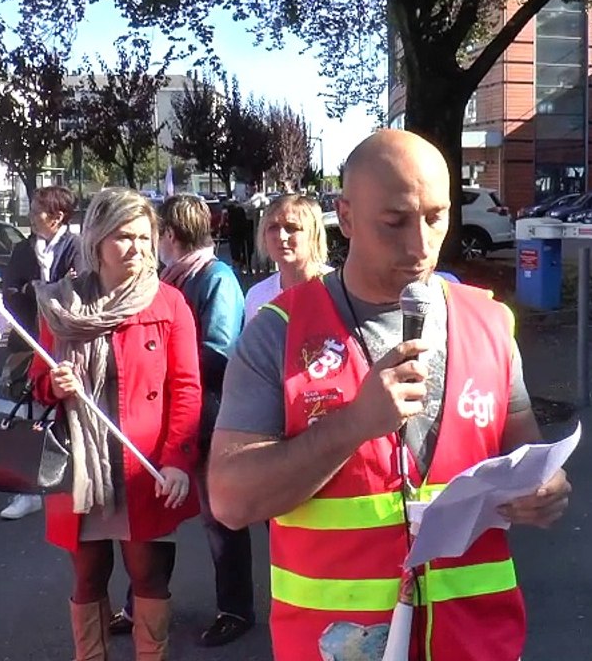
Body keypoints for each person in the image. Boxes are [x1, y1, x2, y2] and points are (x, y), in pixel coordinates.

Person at [207, 129, 571, 661]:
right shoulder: (279, 331)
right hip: (337, 643)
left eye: (435, 216)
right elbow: (232, 501)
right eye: (394, 222)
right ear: (346, 216)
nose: (421, 245)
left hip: (474, 639)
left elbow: (523, 451)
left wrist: (545, 488)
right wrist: (354, 423)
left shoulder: (490, 322)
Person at [31, 187, 202, 661]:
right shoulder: (62, 304)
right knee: (87, 576)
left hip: (144, 466)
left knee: (149, 575)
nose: (137, 248)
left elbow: (187, 391)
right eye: (124, 237)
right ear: (97, 241)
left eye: (145, 238)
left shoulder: (169, 304)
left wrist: (177, 463)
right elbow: (37, 384)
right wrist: (56, 385)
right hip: (80, 469)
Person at [107, 193, 253, 648]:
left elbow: (220, 353)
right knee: (152, 517)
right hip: (161, 421)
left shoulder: (216, 278)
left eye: (154, 235)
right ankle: (141, 603)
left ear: (169, 235)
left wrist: (167, 360)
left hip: (208, 419)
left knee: (219, 518)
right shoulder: (168, 279)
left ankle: (236, 609)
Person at [0, 184, 85, 521]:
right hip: (29, 341)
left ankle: (72, 478)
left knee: (69, 414)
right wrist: (44, 293)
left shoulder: (76, 247)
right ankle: (28, 490)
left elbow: (77, 292)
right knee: (26, 414)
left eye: (37, 211)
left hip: (67, 343)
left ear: (57, 216)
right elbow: (11, 293)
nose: (32, 217)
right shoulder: (23, 249)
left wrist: (37, 291)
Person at [243, 193, 332, 323]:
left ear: (314, 235)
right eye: (273, 227)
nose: (281, 236)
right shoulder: (257, 296)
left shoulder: (339, 291)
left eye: (292, 228)